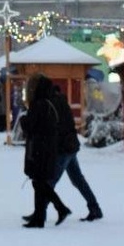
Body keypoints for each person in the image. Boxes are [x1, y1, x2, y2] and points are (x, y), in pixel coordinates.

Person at [20, 73, 73, 227]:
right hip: (48, 148)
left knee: (40, 182)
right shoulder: (48, 103)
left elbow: (30, 127)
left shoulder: (38, 105)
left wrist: (24, 119)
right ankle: (40, 215)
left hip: (39, 149)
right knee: (39, 182)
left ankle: (58, 209)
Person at [50, 83, 103, 221]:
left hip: (63, 148)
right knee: (78, 180)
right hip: (71, 146)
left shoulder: (53, 104)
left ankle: (40, 212)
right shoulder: (63, 102)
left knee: (50, 181)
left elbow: (56, 127)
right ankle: (95, 208)